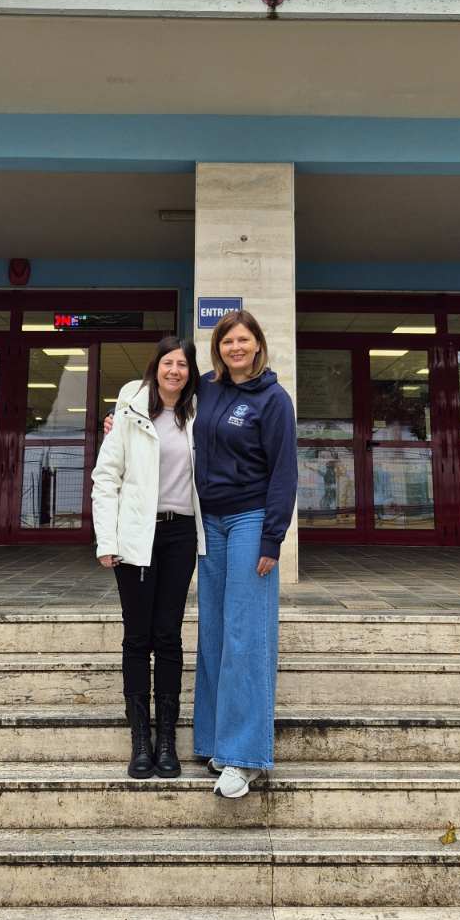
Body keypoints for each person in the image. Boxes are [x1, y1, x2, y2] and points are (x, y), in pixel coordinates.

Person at [193, 310, 297, 800]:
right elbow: (163, 407)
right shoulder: (207, 388)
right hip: (209, 522)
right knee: (214, 632)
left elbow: (284, 471)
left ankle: (246, 757)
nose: (235, 347)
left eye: (243, 339)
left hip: (250, 520)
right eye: (227, 341)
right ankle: (216, 742)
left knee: (245, 634)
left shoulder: (274, 399)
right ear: (218, 348)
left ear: (257, 344)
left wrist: (272, 537)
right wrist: (120, 418)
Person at [91, 336, 203, 780]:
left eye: (183, 364)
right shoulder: (129, 412)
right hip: (138, 534)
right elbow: (106, 477)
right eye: (167, 363)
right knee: (138, 637)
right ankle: (140, 741)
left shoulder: (198, 413)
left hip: (181, 534)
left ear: (191, 373)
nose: (174, 370)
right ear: (155, 367)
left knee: (169, 636)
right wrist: (106, 539)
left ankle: (167, 741)